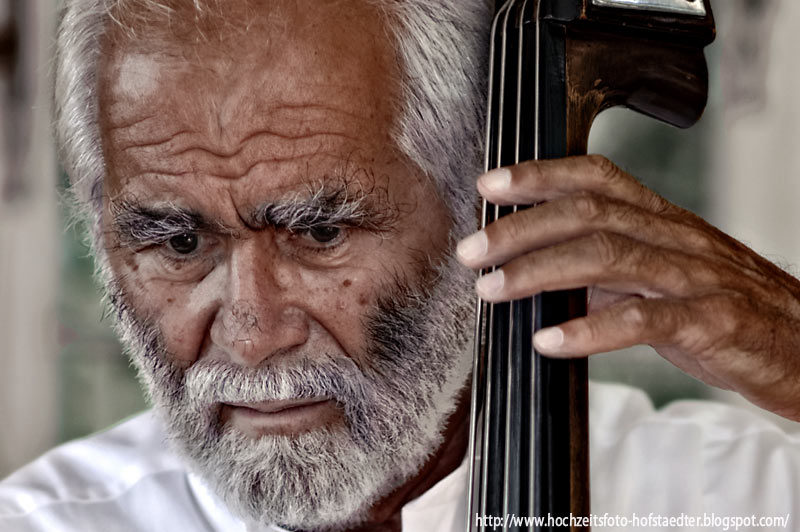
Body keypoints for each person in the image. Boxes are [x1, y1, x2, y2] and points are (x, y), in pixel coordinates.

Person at [2, 0, 800, 531]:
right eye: (179, 243)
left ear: (477, 204)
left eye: (320, 234)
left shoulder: (735, 498)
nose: (252, 334)